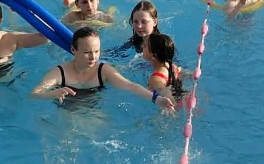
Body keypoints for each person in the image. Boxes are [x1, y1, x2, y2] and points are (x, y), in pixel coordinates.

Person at [32, 26, 175, 110]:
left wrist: (157, 99)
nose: (93, 57)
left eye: (96, 51)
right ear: (73, 50)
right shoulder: (59, 73)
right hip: (66, 111)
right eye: (87, 52)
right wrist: (53, 93)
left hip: (93, 110)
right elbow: (34, 95)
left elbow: (130, 86)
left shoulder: (103, 70)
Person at [143, 32, 184, 100]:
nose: (142, 47)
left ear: (153, 55)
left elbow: (167, 101)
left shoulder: (155, 79)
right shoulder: (172, 67)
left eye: (144, 46)